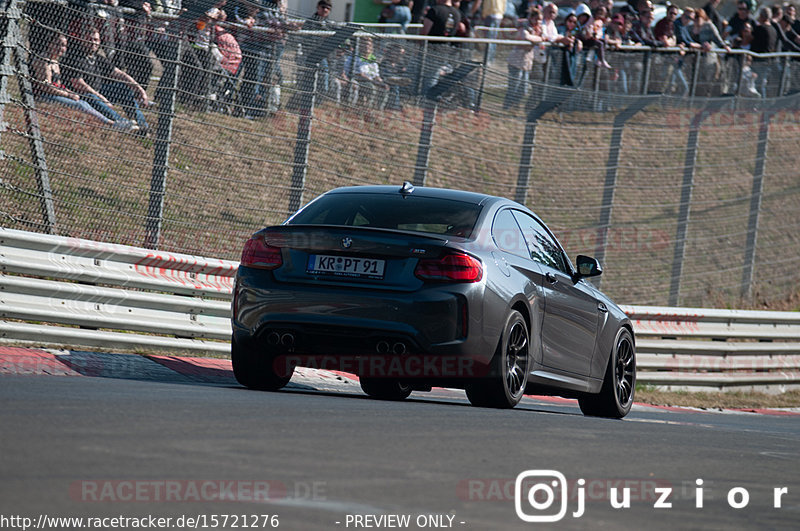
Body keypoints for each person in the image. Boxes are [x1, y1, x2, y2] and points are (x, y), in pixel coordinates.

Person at [31, 33, 133, 131]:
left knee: (83, 102)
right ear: (49, 44)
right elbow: (46, 87)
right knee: (80, 105)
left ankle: (117, 121)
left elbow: (58, 85)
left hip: (54, 93)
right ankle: (111, 124)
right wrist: (68, 95)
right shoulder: (44, 61)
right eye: (57, 44)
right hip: (42, 95)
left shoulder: (55, 61)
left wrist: (70, 92)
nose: (61, 48)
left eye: (64, 46)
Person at [63, 29, 152, 135]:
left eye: (96, 39)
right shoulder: (74, 58)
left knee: (123, 88)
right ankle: (122, 123)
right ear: (82, 40)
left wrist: (139, 89)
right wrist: (102, 97)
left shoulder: (98, 58)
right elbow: (78, 84)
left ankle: (142, 125)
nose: (93, 42)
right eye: (89, 39)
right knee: (92, 96)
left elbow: (119, 74)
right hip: (82, 95)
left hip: (100, 92)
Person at [503, 7, 545, 109]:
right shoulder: (524, 26)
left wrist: (539, 37)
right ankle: (507, 107)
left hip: (527, 62)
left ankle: (514, 106)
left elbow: (544, 37)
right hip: (516, 61)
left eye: (540, 19)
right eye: (536, 19)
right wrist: (540, 39)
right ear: (531, 18)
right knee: (513, 87)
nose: (538, 22)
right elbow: (526, 37)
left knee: (523, 90)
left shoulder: (538, 29)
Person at [420, 0, 462, 93]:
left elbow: (424, 33)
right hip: (447, 50)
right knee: (437, 78)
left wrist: (417, 46)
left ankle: (427, 103)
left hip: (431, 50)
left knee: (429, 79)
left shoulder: (434, 10)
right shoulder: (457, 13)